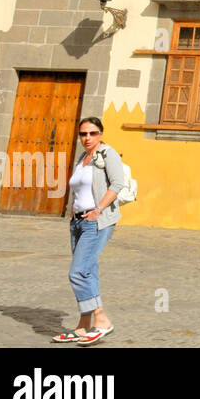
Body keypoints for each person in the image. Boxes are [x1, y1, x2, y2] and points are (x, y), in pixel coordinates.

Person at [51, 117, 124, 345]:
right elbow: (80, 189)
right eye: (83, 134)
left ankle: (101, 319)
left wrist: (98, 209)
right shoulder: (83, 158)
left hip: (97, 222)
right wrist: (74, 212)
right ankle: (83, 325)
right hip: (78, 222)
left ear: (101, 134)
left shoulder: (107, 154)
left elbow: (117, 184)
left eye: (92, 133)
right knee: (88, 271)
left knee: (78, 272)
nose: (87, 138)